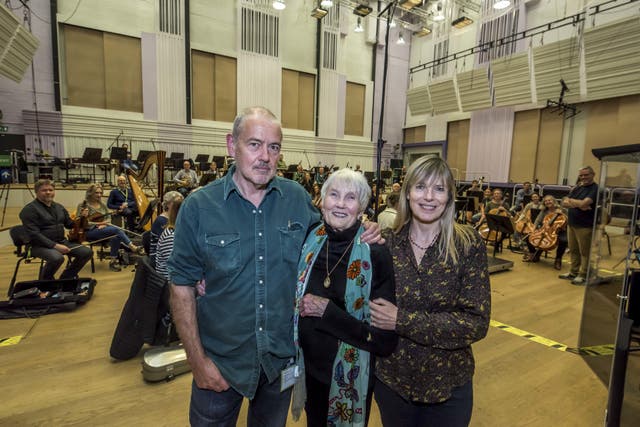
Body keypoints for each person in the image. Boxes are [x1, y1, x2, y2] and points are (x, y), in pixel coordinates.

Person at [167, 106, 382, 426]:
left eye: (274, 147)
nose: (265, 156)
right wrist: (197, 362)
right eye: (254, 144)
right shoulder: (199, 207)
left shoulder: (296, 199)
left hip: (279, 363)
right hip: (220, 362)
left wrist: (367, 227)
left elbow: (330, 241)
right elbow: (180, 286)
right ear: (231, 146)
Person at [370, 156, 491, 427]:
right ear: (407, 193)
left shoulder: (468, 244)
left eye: (439, 189)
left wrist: (401, 320)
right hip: (393, 382)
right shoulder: (385, 242)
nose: (429, 197)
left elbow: (476, 323)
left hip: (448, 385)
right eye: (421, 187)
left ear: (449, 197)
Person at [293, 168, 397, 426]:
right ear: (321, 199)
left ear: (362, 206)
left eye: (350, 198)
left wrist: (328, 312)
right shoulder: (310, 239)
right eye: (334, 195)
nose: (340, 204)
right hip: (308, 372)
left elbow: (384, 341)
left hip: (349, 376)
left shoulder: (375, 253)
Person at [19, 179, 93, 280]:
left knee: (86, 252)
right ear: (36, 192)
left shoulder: (59, 207)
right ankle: (45, 281)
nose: (48, 192)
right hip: (37, 245)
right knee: (57, 258)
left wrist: (82, 217)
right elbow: (34, 234)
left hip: (61, 241)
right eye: (44, 190)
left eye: (51, 190)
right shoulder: (29, 210)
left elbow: (69, 224)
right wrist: (55, 246)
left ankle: (66, 278)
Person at [77, 184, 142, 272]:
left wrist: (105, 224)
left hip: (102, 230)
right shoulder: (83, 205)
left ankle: (113, 261)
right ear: (90, 193)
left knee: (116, 236)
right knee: (116, 230)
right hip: (89, 232)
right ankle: (132, 247)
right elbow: (79, 223)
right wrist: (84, 217)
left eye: (100, 193)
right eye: (96, 193)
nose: (99, 195)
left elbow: (108, 218)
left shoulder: (102, 205)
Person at [559, 166, 599, 285]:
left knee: (584, 252)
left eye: (586, 175)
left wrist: (575, 202)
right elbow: (564, 202)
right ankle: (573, 272)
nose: (583, 177)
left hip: (585, 225)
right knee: (573, 250)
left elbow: (585, 203)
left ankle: (583, 274)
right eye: (581, 175)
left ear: (593, 174)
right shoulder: (578, 187)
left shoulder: (595, 189)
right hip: (572, 223)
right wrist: (579, 204)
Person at [522, 195, 568, 270]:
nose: (547, 202)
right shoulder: (544, 211)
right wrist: (533, 229)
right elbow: (538, 220)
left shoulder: (562, 210)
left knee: (563, 241)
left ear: (554, 201)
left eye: (549, 200)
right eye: (546, 201)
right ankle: (533, 254)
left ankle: (558, 259)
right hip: (545, 229)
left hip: (559, 230)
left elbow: (568, 220)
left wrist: (562, 214)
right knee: (529, 236)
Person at [148, 190, 183, 265]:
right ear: (167, 204)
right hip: (159, 259)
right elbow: (169, 245)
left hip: (167, 255)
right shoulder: (162, 220)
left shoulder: (173, 219)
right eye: (177, 204)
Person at [155, 197, 183, 280]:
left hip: (177, 277)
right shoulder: (171, 236)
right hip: (170, 283)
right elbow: (175, 268)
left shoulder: (179, 231)